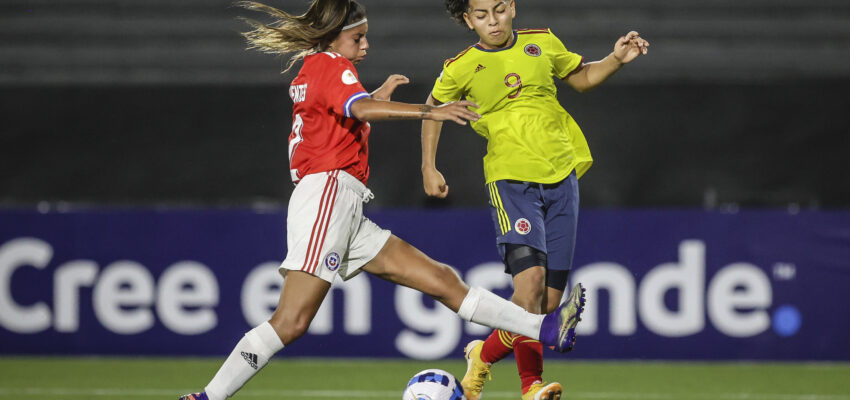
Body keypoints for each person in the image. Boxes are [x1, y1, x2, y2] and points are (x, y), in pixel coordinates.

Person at [179, 1, 586, 399]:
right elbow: (362, 110)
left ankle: (547, 329)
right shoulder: (329, 65)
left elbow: (343, 116)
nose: (366, 46)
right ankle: (207, 397)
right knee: (292, 320)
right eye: (358, 37)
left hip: (343, 204)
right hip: (327, 196)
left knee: (443, 281)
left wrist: (376, 94)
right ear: (334, 37)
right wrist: (429, 112)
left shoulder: (320, 69)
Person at [421, 1, 649, 399]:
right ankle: (533, 387)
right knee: (530, 288)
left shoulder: (542, 42)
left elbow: (581, 77)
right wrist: (429, 166)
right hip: (511, 181)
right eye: (480, 15)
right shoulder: (461, 66)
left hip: (563, 177)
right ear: (467, 19)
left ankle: (483, 356)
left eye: (498, 9)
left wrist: (616, 58)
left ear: (511, 6)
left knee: (544, 306)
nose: (492, 21)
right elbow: (431, 111)